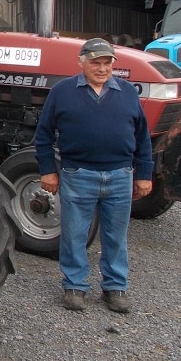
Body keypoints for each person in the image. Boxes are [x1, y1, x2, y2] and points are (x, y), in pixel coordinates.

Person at [34, 37, 153, 313]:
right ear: (82, 62)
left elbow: (142, 136)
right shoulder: (62, 92)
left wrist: (144, 173)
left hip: (120, 174)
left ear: (113, 65)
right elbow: (43, 135)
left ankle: (115, 287)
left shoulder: (127, 92)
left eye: (107, 63)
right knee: (74, 233)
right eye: (95, 62)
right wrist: (48, 171)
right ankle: (75, 285)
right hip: (78, 173)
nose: (101, 68)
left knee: (116, 235)